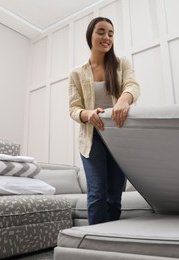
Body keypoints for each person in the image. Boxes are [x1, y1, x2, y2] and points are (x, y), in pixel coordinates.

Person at [69, 17, 140, 225]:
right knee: (97, 192)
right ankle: (94, 242)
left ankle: (110, 238)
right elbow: (73, 108)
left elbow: (133, 85)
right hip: (92, 139)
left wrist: (124, 100)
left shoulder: (121, 64)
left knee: (114, 195)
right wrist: (88, 114)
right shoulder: (76, 73)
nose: (107, 37)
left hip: (119, 138)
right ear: (90, 35)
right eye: (101, 32)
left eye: (111, 33)